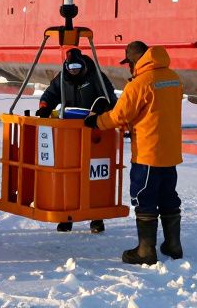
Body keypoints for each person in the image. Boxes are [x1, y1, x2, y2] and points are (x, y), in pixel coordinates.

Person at [84, 40, 183, 265]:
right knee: (168, 196)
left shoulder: (139, 84)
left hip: (148, 153)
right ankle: (173, 246)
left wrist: (95, 121)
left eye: (129, 63)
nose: (129, 67)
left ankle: (145, 251)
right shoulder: (174, 78)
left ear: (135, 61)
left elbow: (118, 116)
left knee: (144, 198)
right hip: (170, 152)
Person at [36, 47, 117, 233]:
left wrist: (103, 110)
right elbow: (50, 94)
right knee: (70, 173)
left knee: (93, 174)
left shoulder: (96, 76)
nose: (73, 70)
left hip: (94, 131)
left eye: (76, 67)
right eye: (70, 67)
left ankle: (96, 217)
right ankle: (68, 215)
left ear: (83, 65)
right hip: (69, 133)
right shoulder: (62, 77)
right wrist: (44, 107)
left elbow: (111, 98)